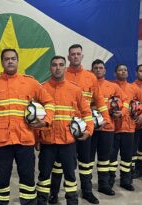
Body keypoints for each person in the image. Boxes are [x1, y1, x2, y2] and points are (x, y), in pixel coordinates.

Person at [0, 48, 54, 205]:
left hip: (25, 140)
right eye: (6, 59)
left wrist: (45, 121)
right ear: (2, 62)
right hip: (1, 142)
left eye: (13, 58)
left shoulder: (30, 82)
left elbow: (49, 102)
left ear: (18, 61)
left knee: (27, 179)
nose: (10, 61)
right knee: (1, 181)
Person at [49, 45, 110, 205]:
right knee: (59, 164)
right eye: (72, 54)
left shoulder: (91, 77)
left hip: (83, 127)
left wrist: (106, 119)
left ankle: (87, 191)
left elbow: (99, 100)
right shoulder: (61, 73)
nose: (75, 57)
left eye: (78, 54)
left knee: (86, 161)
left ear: (82, 56)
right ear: (68, 57)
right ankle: (53, 194)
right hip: (64, 128)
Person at [36, 56, 93, 205]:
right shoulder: (42, 89)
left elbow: (87, 113)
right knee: (44, 176)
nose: (58, 68)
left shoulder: (75, 90)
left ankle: (72, 201)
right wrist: (37, 138)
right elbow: (36, 116)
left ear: (65, 68)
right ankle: (42, 201)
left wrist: (88, 131)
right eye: (54, 65)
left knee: (70, 176)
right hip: (47, 141)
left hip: (68, 142)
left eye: (61, 65)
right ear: (50, 68)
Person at [91, 59, 128, 196]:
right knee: (87, 161)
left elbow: (126, 101)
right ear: (92, 70)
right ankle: (87, 188)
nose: (98, 70)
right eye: (96, 68)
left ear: (105, 70)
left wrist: (121, 112)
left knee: (104, 159)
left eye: (101, 68)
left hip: (108, 128)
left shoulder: (113, 86)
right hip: (91, 129)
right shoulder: (88, 85)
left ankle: (104, 185)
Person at [111, 64, 142, 191]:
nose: (123, 72)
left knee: (127, 157)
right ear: (115, 73)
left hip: (130, 128)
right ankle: (109, 180)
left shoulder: (134, 88)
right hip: (113, 128)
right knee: (112, 158)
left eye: (125, 70)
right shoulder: (111, 86)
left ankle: (126, 181)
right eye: (120, 70)